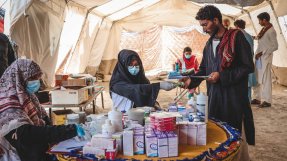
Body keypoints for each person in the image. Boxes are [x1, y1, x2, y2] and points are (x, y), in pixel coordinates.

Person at [180, 5, 255, 157]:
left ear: (216, 20)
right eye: (201, 25)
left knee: (235, 136)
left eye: (205, 24)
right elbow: (204, 69)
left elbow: (247, 66)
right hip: (215, 96)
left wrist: (222, 76)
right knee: (219, 134)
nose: (204, 29)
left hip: (233, 98)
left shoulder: (236, 37)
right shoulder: (209, 44)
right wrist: (191, 81)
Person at [0, 59, 85, 161]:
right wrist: (69, 130)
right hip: (19, 154)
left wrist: (62, 133)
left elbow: (45, 123)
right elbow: (26, 134)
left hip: (37, 150)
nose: (36, 81)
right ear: (20, 78)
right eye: (32, 78)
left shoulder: (29, 97)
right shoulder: (8, 103)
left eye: (38, 77)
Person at [110, 49, 176, 112]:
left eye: (136, 65)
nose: (134, 68)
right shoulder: (117, 84)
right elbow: (134, 90)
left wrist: (155, 104)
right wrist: (159, 86)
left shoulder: (142, 80)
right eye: (130, 65)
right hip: (124, 117)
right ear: (123, 66)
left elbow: (147, 95)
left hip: (143, 117)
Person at [251, 12, 278, 108]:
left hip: (265, 58)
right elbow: (260, 39)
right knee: (256, 76)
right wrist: (253, 37)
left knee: (266, 79)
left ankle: (267, 100)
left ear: (264, 20)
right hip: (259, 58)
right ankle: (257, 98)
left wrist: (262, 53)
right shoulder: (264, 29)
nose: (258, 22)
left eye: (259, 20)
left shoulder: (271, 31)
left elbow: (275, 46)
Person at [234, 19, 257, 102]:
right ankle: (248, 101)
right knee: (248, 85)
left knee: (241, 84)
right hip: (249, 62)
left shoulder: (238, 35)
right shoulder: (249, 36)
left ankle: (242, 103)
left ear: (236, 26)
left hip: (241, 64)